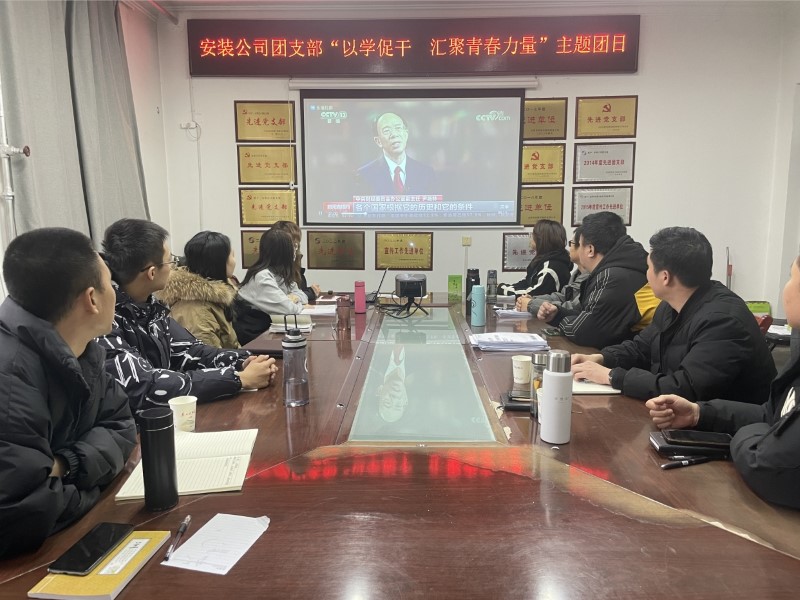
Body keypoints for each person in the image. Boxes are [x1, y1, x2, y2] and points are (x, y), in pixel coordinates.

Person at [0, 228, 137, 559]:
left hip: (66, 532)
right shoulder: (11, 376)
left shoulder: (81, 350)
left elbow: (121, 425)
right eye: (111, 284)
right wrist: (95, 486)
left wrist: (66, 465)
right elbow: (20, 513)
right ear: (92, 299)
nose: (116, 293)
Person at [646, 252, 800, 509]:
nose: (786, 288)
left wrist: (747, 437)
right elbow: (773, 415)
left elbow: (768, 465)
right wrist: (699, 414)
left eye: (791, 277)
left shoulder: (722, 317)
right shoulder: (668, 309)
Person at [571, 227, 776, 403]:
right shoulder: (671, 305)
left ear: (665, 277)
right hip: (678, 416)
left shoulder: (722, 321)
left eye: (649, 267)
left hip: (725, 430)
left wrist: (612, 376)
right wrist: (601, 358)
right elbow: (641, 347)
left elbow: (686, 388)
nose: (646, 274)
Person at [97, 218, 277, 414]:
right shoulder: (105, 321)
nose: (174, 267)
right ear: (152, 273)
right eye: (170, 261)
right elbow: (145, 385)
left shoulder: (150, 308)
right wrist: (238, 378)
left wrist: (244, 361)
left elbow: (192, 352)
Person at [536, 211, 659, 348]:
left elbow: (584, 332)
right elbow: (589, 315)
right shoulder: (622, 267)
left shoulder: (613, 277)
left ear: (590, 250)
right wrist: (558, 314)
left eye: (579, 244)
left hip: (644, 357)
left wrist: (560, 320)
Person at [157, 231, 241, 349]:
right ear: (219, 262)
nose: (234, 261)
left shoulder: (211, 297)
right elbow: (209, 356)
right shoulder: (197, 310)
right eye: (232, 255)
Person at [235, 228, 309, 345]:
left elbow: (303, 297)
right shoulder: (262, 277)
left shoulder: (280, 273)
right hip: (253, 336)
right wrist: (291, 300)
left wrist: (293, 298)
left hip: (268, 331)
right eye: (293, 247)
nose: (295, 251)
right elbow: (290, 311)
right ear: (285, 252)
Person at [355, 112, 437, 196]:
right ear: (378, 141)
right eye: (387, 131)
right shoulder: (365, 175)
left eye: (398, 128)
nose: (394, 134)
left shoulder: (426, 173)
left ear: (406, 134)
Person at [517, 226, 588, 314]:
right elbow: (563, 296)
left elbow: (574, 307)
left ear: (589, 250)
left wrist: (531, 303)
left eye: (572, 243)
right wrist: (533, 299)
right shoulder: (578, 274)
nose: (569, 248)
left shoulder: (552, 267)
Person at [499, 219, 572, 297]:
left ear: (542, 239)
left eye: (534, 234)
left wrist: (500, 288)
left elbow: (530, 293)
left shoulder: (550, 268)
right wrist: (504, 287)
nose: (531, 237)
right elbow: (526, 283)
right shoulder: (543, 261)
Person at [270, 220, 321, 304]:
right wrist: (310, 293)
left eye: (296, 244)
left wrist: (309, 291)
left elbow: (297, 293)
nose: (295, 248)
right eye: (292, 243)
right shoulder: (269, 272)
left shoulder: (294, 265)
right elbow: (284, 300)